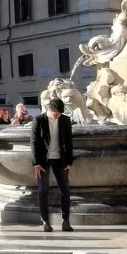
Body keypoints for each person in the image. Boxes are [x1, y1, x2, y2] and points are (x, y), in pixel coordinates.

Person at [31, 96, 74, 232]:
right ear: (50, 110)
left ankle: (65, 221)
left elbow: (69, 142)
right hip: (43, 161)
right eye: (56, 114)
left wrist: (69, 162)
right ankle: (45, 221)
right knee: (43, 190)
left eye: (60, 114)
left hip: (60, 159)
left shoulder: (65, 120)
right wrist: (36, 163)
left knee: (65, 190)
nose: (58, 116)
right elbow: (33, 143)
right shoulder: (39, 120)